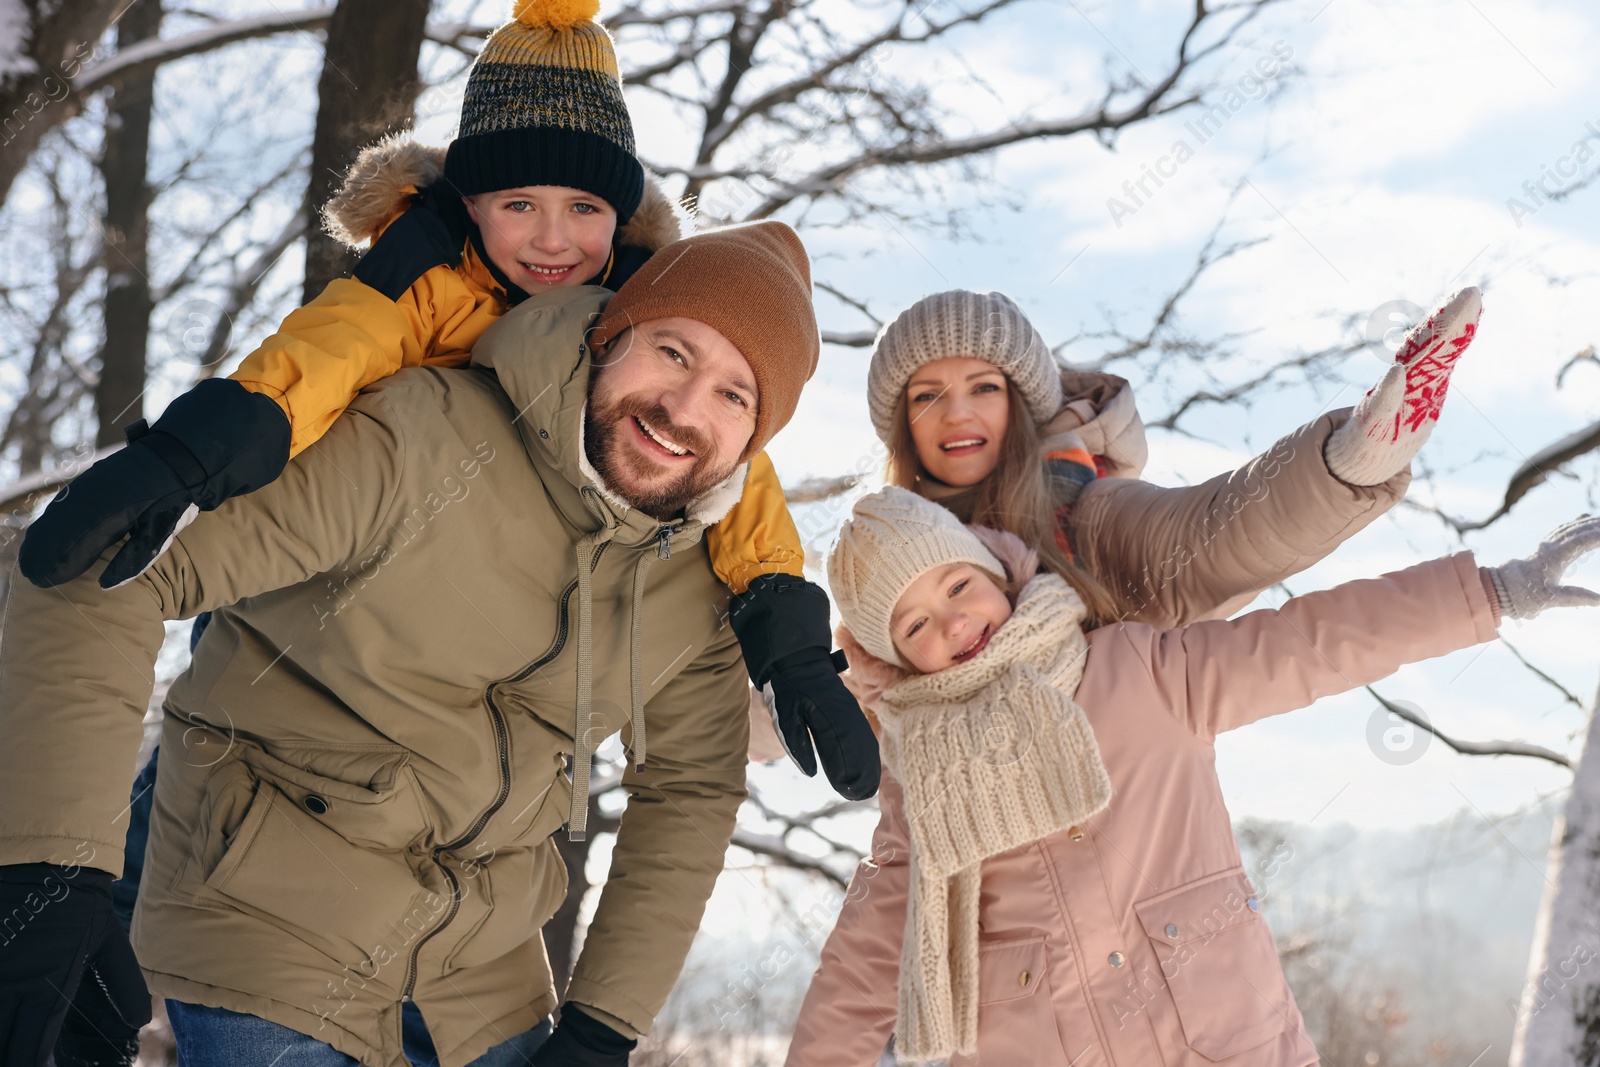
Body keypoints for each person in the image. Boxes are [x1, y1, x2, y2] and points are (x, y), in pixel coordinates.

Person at [0, 221, 820, 1067]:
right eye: (674, 352)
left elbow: (690, 788)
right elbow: (96, 571)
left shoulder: (702, 569)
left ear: (755, 440)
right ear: (609, 335)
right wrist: (50, 874)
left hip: (484, 974)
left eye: (736, 395)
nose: (685, 410)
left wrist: (601, 1025)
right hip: (270, 919)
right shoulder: (419, 436)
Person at [17, 0, 878, 805]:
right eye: (518, 204)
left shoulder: (633, 312)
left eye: (583, 206)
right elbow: (323, 352)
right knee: (205, 756)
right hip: (311, 552)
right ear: (469, 202)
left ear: (620, 217)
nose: (553, 239)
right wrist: (196, 448)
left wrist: (786, 629)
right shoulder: (421, 275)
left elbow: (734, 472)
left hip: (456, 619)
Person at [785, 487, 1600, 1065]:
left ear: (999, 572)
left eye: (957, 584)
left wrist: (1490, 592)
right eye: (915, 623)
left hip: (1222, 1037)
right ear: (891, 659)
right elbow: (864, 958)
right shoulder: (915, 776)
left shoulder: (1139, 668)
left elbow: (1306, 642)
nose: (955, 622)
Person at [865, 285, 1482, 626]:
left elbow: (1205, 533)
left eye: (984, 388)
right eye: (927, 396)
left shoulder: (1087, 514)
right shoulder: (879, 559)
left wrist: (1341, 465)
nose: (956, 414)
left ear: (1021, 406)